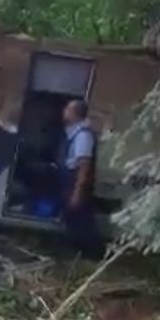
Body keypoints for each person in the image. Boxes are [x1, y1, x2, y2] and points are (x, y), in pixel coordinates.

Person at [59, 99, 105, 260]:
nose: (64, 112)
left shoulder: (83, 135)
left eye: (67, 109)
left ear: (75, 114)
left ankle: (93, 255)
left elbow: (84, 165)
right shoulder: (74, 132)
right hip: (72, 180)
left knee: (82, 220)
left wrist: (77, 191)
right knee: (73, 218)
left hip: (77, 181)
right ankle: (77, 254)